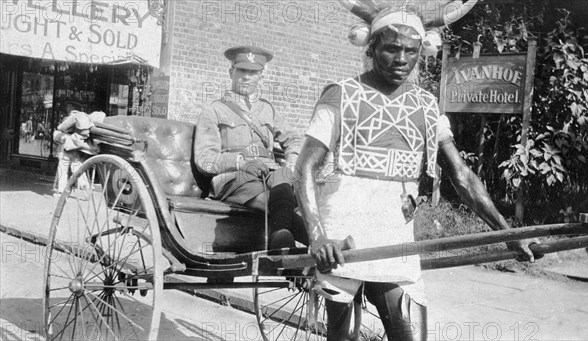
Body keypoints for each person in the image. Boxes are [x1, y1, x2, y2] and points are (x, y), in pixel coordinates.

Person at [295, 6, 537, 341]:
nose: (400, 59)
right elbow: (305, 167)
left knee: (411, 335)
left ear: (422, 52)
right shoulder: (341, 94)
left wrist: (508, 234)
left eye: (410, 50)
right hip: (343, 231)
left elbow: (462, 176)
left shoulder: (426, 104)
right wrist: (319, 236)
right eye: (390, 48)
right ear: (370, 48)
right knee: (344, 336)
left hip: (395, 232)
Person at [194, 45, 306, 249]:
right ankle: (316, 243)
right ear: (231, 72)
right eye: (241, 71)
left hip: (269, 173)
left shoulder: (268, 110)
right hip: (234, 177)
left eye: (252, 72)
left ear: (261, 76)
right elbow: (205, 159)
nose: (246, 77)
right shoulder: (214, 110)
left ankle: (281, 237)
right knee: (275, 202)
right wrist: (241, 163)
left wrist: (291, 161)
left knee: (283, 176)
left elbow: (294, 139)